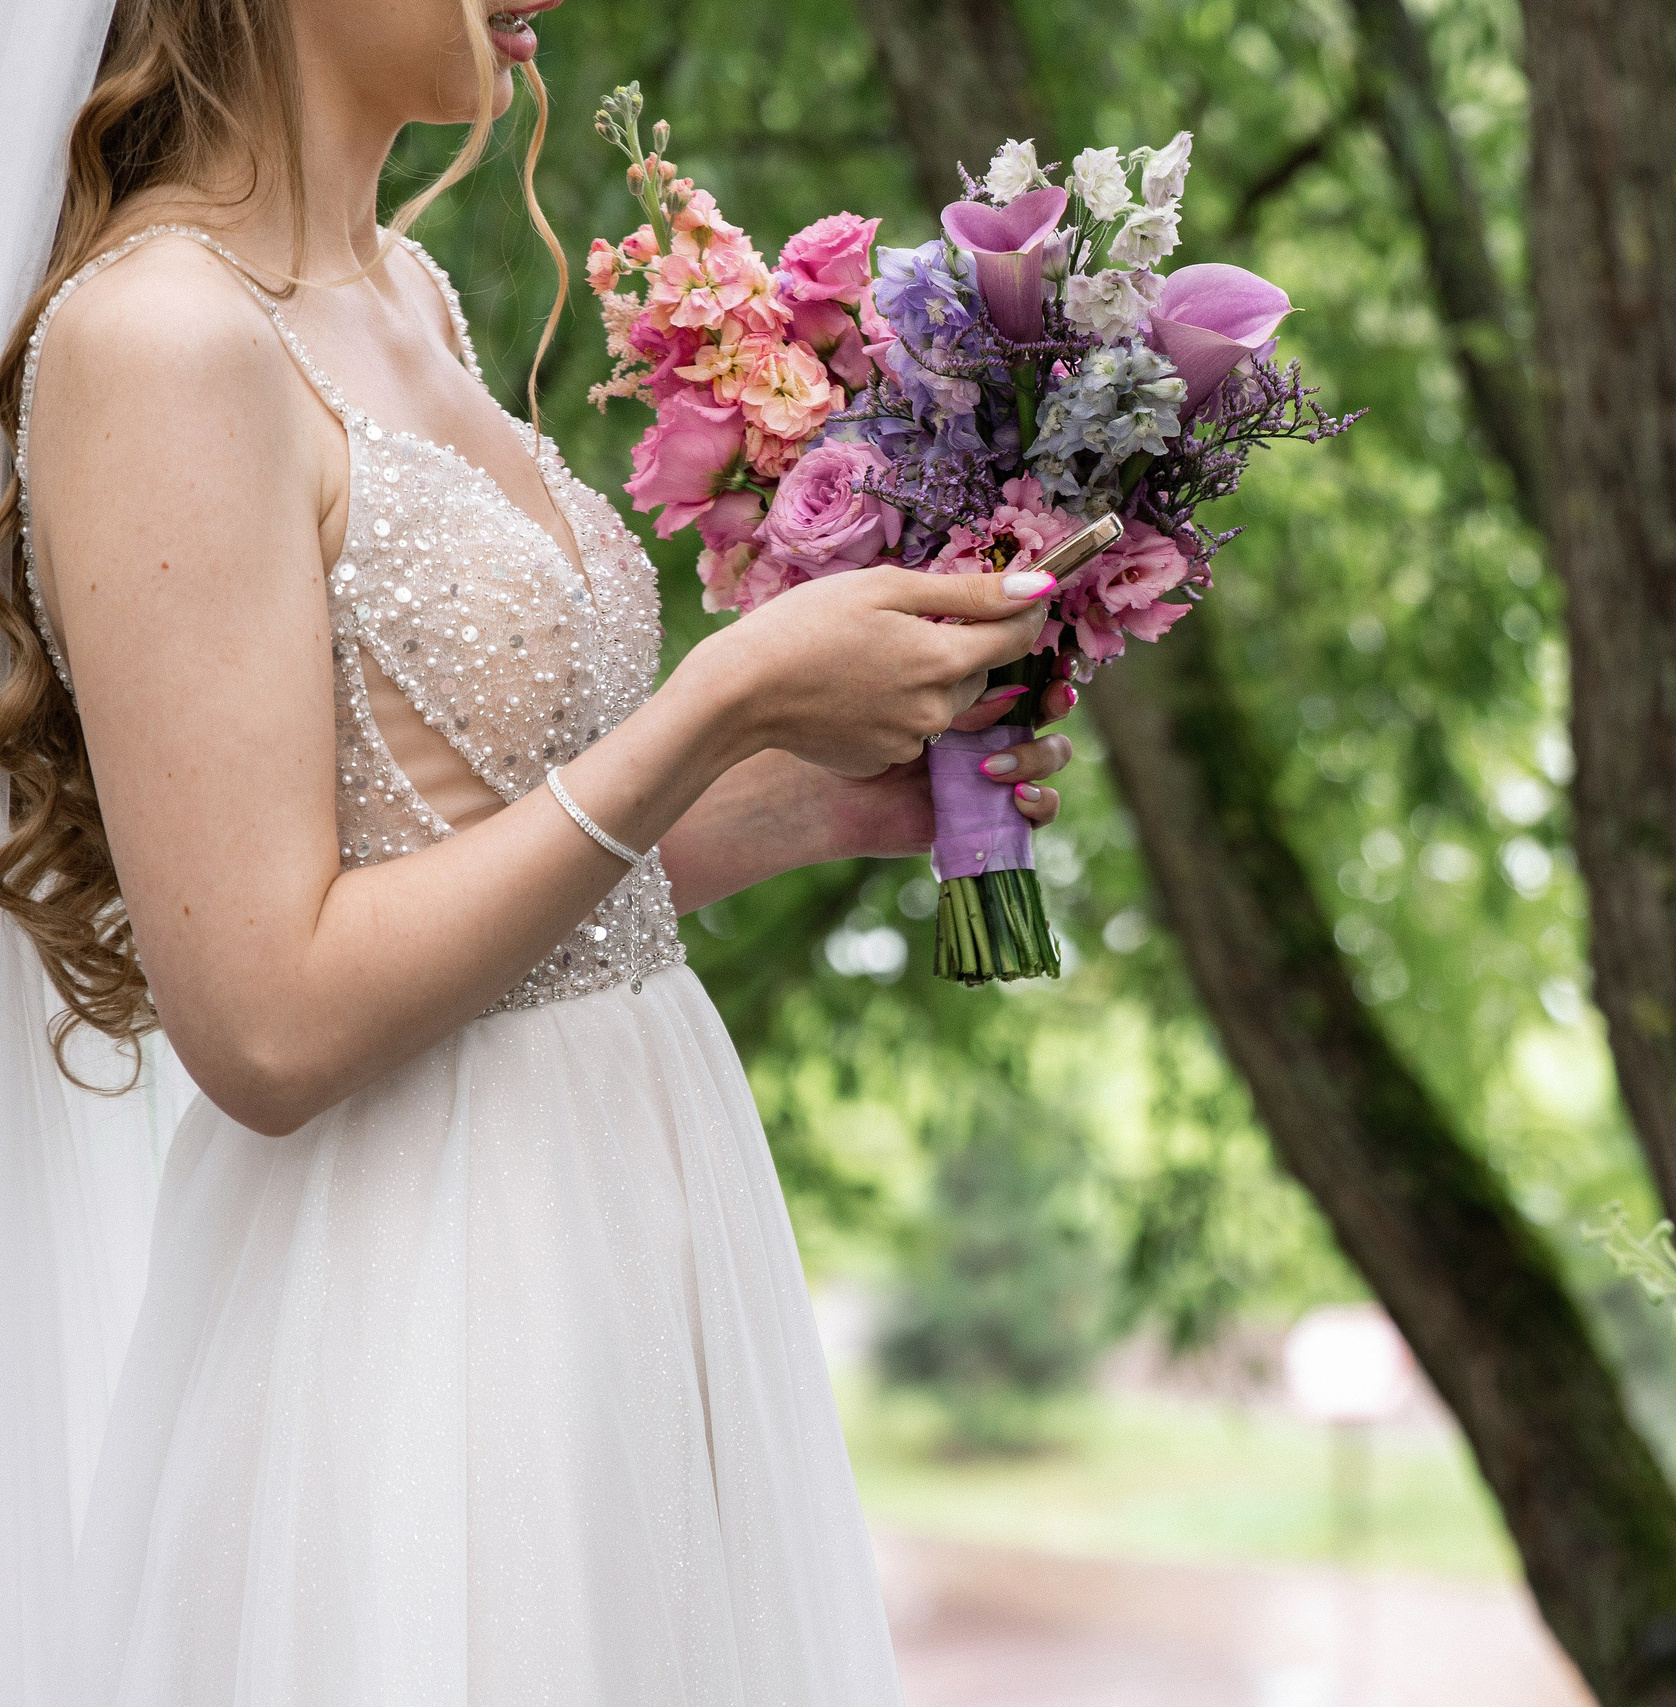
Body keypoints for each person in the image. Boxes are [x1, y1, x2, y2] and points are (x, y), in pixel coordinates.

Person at [0, 0, 1077, 1699]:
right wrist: (716, 708)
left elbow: (486, 874)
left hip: (633, 1234)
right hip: (417, 1300)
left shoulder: (403, 296)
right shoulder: (157, 341)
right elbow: (266, 1018)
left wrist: (809, 801)